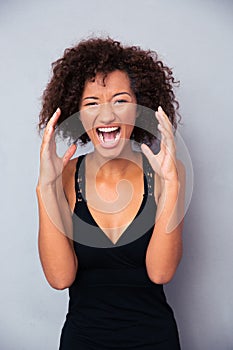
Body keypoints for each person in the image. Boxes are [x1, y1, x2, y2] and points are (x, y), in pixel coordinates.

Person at [36, 37, 185, 349]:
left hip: (154, 339)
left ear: (139, 107)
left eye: (120, 101)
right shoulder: (65, 176)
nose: (107, 117)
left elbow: (161, 273)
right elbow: (60, 278)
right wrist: (45, 187)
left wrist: (171, 184)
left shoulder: (164, 173)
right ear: (76, 113)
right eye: (92, 104)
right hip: (83, 339)